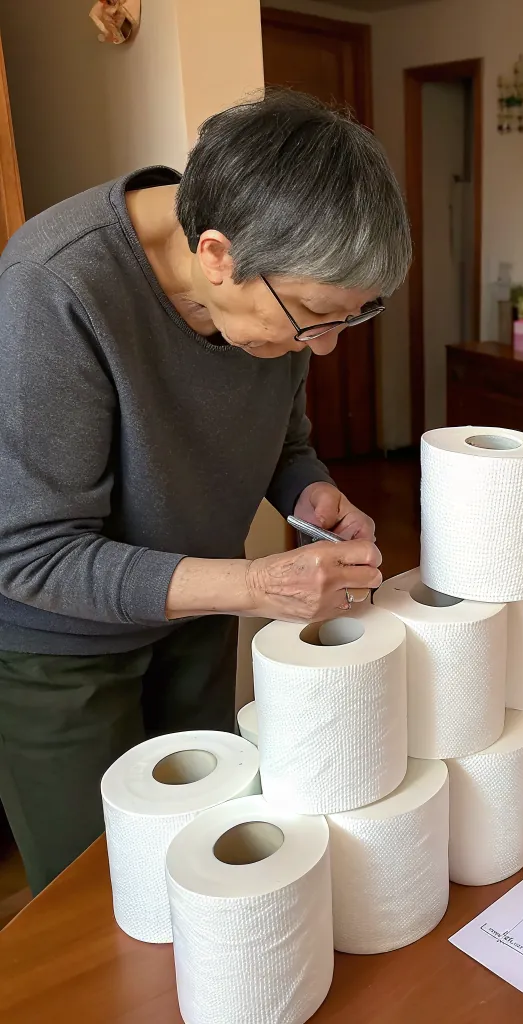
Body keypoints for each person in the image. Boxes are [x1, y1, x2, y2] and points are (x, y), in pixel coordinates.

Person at [0, 91, 411, 892]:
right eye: (315, 320)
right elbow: (30, 553)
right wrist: (257, 585)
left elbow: (281, 441)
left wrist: (311, 491)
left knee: (213, 880)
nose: (322, 350)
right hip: (62, 657)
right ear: (218, 254)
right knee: (104, 904)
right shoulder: (55, 285)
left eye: (350, 321)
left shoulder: (275, 289)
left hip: (194, 621)